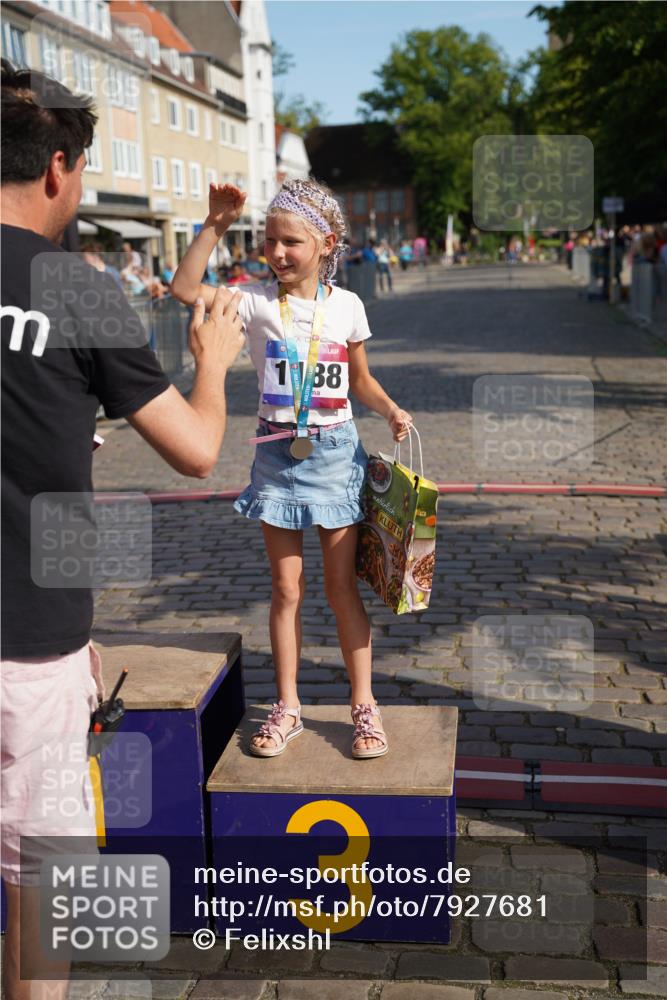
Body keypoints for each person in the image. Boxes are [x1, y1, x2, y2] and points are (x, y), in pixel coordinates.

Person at [0, 61, 244, 1000]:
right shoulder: (77, 287)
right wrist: (212, 361)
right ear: (59, 166)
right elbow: (194, 452)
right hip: (31, 644)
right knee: (44, 885)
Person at [172, 178, 412, 761]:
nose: (276, 253)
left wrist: (390, 409)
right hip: (277, 458)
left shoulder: (347, 305)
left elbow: (359, 380)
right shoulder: (252, 301)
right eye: (268, 241)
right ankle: (288, 705)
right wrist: (215, 225)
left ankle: (364, 704)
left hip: (335, 457)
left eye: (290, 242)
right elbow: (183, 288)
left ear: (326, 243)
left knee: (339, 588)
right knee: (285, 589)